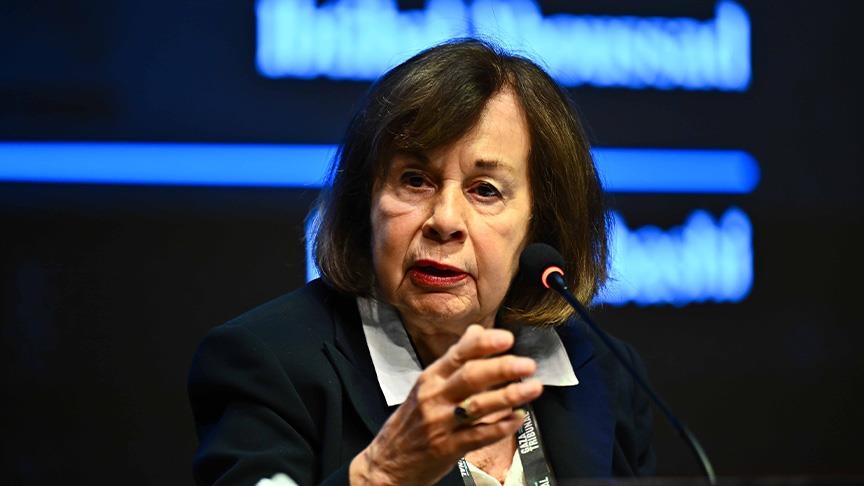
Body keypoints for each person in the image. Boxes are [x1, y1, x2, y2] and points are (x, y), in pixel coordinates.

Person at [188, 38, 655, 485]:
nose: (445, 220)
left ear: (540, 224)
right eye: (415, 180)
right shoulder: (269, 364)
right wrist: (382, 476)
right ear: (366, 202)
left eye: (485, 190)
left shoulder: (604, 373)